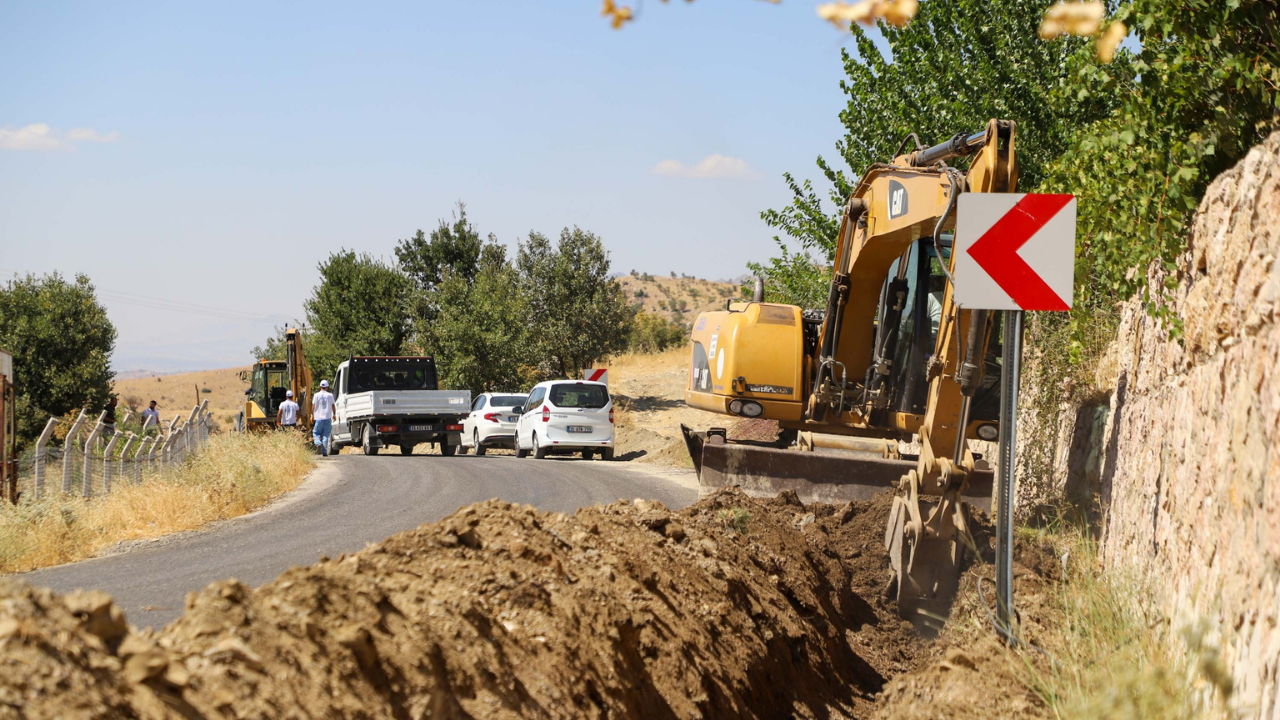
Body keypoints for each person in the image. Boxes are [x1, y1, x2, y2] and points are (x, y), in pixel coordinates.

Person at [312, 379, 335, 456]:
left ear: (320, 386)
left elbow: (313, 406)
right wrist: (334, 414)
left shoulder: (316, 395)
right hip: (327, 417)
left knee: (316, 433)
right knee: (326, 435)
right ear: (327, 387)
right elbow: (333, 405)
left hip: (318, 417)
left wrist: (312, 415)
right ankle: (324, 451)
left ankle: (318, 443)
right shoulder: (330, 395)